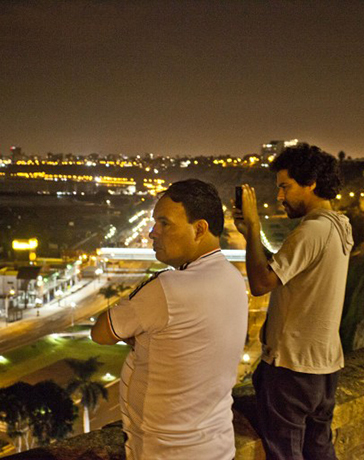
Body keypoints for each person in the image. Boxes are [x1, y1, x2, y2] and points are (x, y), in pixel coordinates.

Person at [92, 179, 248, 460]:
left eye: (164, 223)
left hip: (168, 452)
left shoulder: (168, 288)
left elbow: (101, 333)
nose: (153, 233)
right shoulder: (233, 279)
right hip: (218, 445)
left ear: (199, 228)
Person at [233, 144, 353, 460]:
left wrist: (255, 227)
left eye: (286, 186)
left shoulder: (311, 230)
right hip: (324, 366)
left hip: (292, 368)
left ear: (311, 182)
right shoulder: (339, 224)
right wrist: (251, 239)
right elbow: (285, 271)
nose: (280, 196)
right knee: (319, 448)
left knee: (285, 453)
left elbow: (261, 283)